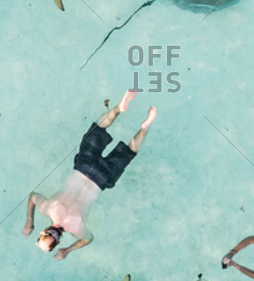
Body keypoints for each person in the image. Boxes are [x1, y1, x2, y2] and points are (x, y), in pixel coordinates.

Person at [24, 90, 156, 259]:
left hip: (102, 179)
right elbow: (33, 197)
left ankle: (144, 128)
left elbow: (88, 239)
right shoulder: (49, 208)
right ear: (44, 231)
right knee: (99, 127)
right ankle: (118, 109)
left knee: (130, 151)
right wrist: (30, 221)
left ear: (58, 241)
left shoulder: (77, 230)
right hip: (83, 167)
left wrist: (67, 250)